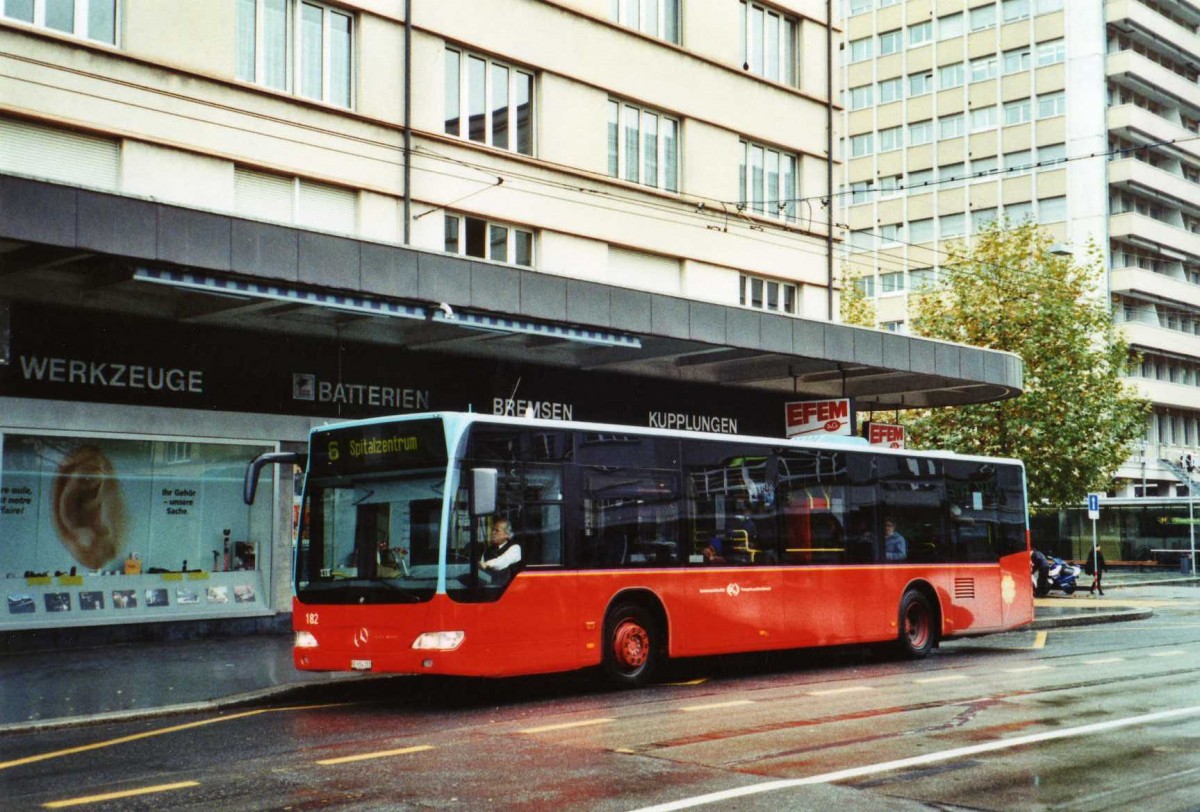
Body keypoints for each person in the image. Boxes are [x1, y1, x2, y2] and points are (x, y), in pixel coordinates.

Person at [479, 517, 522, 584]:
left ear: (506, 534)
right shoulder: (487, 551)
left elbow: (502, 561)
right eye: (493, 530)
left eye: (497, 530)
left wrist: (486, 564)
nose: (493, 533)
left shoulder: (515, 548)